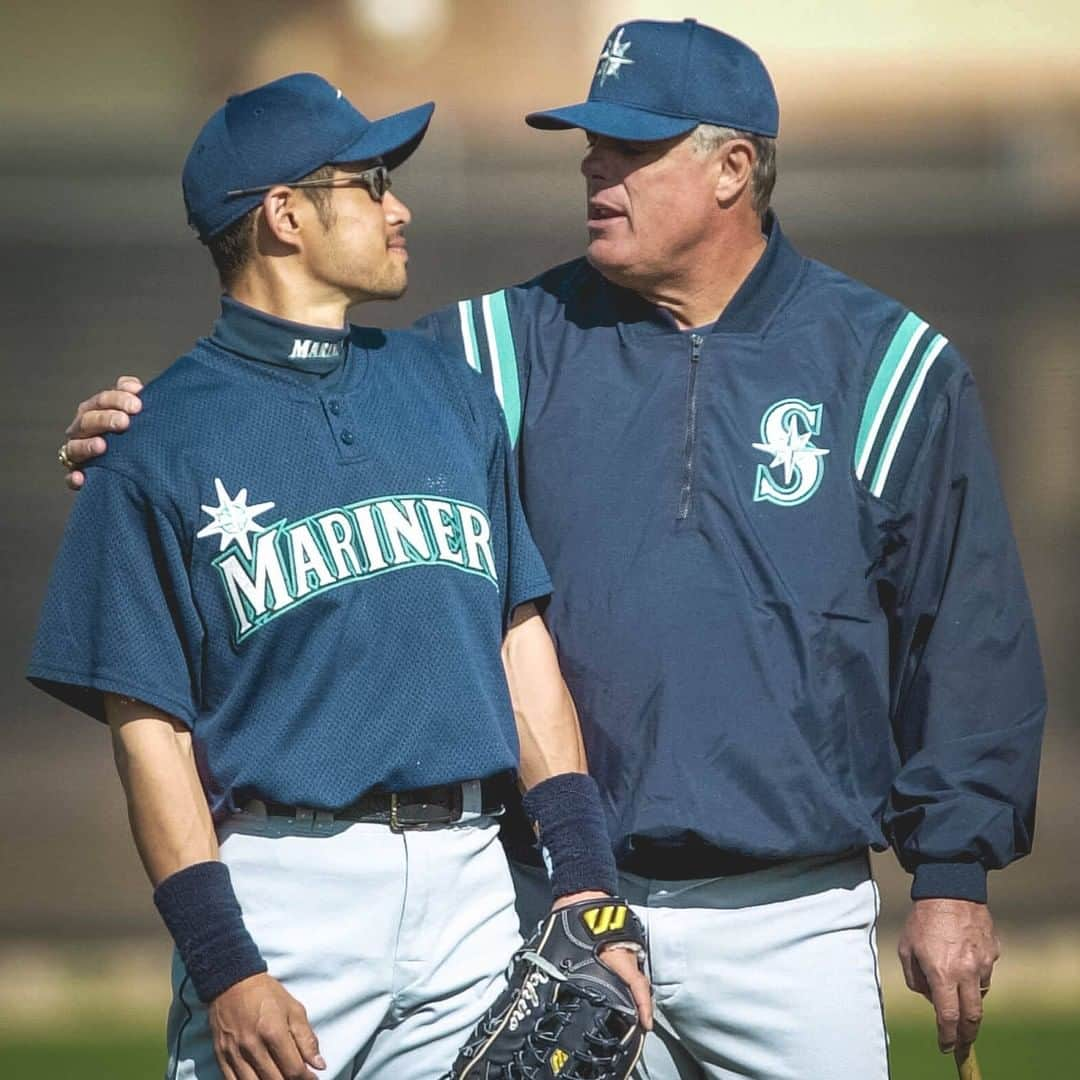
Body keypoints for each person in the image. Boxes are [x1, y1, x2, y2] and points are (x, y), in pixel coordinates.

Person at [59, 19, 1046, 1080]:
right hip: (549, 911)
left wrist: (953, 874)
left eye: (631, 147)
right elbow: (299, 387)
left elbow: (969, 636)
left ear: (732, 170)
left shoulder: (891, 365)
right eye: (590, 140)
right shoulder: (487, 350)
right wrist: (127, 430)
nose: (593, 164)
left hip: (789, 913)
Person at [33, 73, 648, 1080]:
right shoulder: (154, 445)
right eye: (368, 182)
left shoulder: (447, 390)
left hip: (471, 882)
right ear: (282, 215)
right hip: (288, 896)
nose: (397, 205)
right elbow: (150, 735)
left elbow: (517, 641)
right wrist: (225, 965)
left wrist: (585, 881)